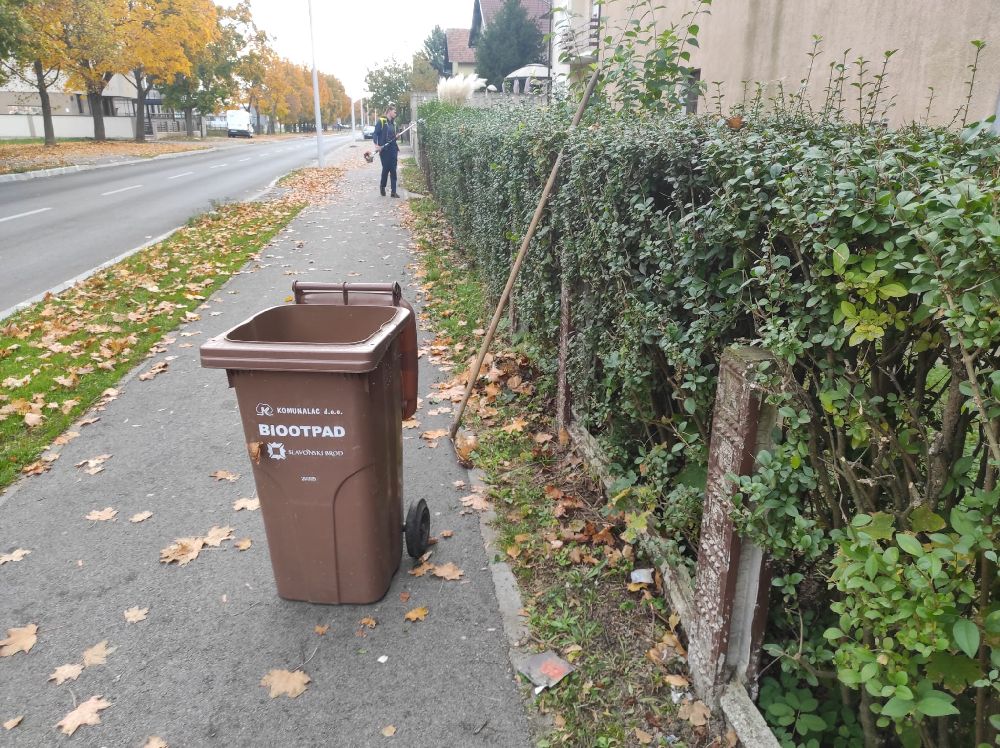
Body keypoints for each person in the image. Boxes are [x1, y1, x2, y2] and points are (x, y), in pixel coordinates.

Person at [373, 104, 400, 198]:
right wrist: (376, 145)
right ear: (389, 111)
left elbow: (393, 137)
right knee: (386, 169)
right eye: (394, 112)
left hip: (393, 149)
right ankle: (382, 186)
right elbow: (375, 133)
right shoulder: (382, 121)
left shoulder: (393, 123)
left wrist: (396, 136)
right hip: (384, 150)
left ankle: (393, 192)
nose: (396, 113)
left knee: (393, 170)